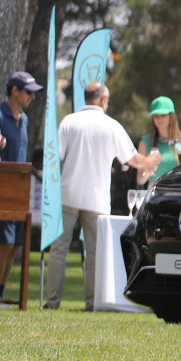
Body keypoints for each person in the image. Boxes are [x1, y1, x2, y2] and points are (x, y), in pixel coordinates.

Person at [43, 81, 153, 310]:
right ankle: (92, 303)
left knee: (59, 251)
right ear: (103, 99)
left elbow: (56, 157)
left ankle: (52, 302)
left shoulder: (69, 121)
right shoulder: (110, 125)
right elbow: (132, 160)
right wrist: (153, 161)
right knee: (94, 254)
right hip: (97, 198)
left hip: (67, 194)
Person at [0, 71, 39, 300]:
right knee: (3, 242)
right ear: (14, 91)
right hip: (1, 191)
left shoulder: (24, 119)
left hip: (20, 190)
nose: (32, 98)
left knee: (16, 244)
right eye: (28, 92)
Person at [137, 97, 181, 186]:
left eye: (163, 115)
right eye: (156, 116)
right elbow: (140, 179)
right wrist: (146, 172)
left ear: (171, 116)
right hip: (155, 192)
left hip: (179, 190)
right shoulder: (145, 143)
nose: (159, 119)